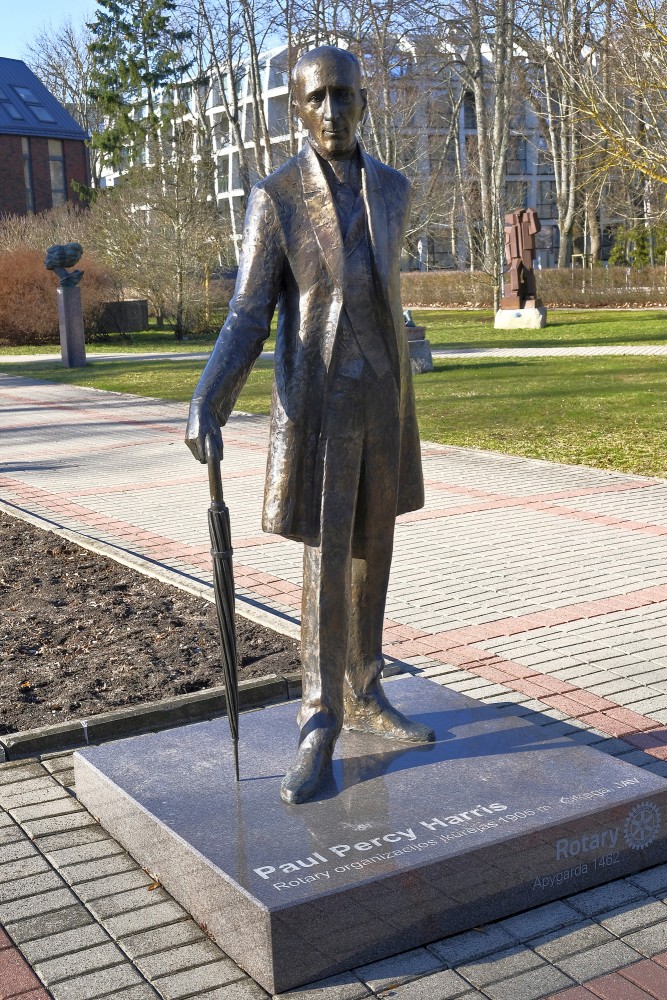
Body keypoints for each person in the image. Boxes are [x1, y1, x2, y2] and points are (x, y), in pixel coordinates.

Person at [185, 45, 434, 805]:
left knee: (373, 554)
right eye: (317, 98)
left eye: (344, 96)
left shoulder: (391, 189)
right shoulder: (280, 195)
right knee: (326, 566)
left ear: (365, 102)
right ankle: (318, 718)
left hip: (384, 404)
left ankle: (365, 689)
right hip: (319, 411)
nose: (332, 111)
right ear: (296, 108)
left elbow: (384, 297)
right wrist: (208, 397)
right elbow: (248, 312)